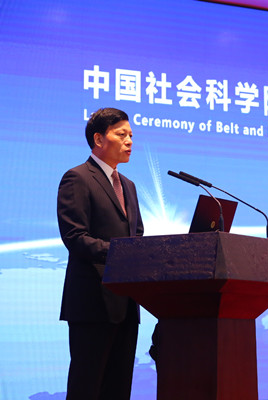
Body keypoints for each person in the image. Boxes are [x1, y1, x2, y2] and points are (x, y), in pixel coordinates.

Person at [57, 107, 144, 400]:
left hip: (126, 304)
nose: (129, 141)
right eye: (121, 134)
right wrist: (123, 254)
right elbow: (75, 238)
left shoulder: (128, 186)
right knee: (87, 387)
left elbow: (137, 234)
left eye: (131, 135)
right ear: (98, 139)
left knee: (118, 389)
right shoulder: (77, 178)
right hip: (92, 302)